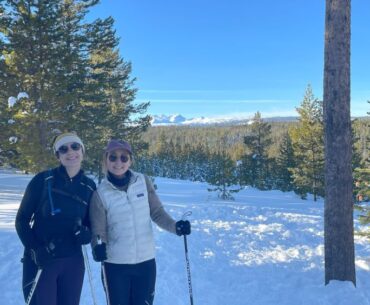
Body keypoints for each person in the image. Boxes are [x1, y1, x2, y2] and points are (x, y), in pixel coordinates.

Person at [90, 139, 191, 305]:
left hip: (145, 263)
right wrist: (97, 247)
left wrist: (176, 227)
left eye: (124, 158)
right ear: (106, 160)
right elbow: (98, 231)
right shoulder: (100, 193)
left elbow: (157, 213)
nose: (118, 162)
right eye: (113, 157)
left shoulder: (142, 182)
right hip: (115, 266)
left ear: (130, 160)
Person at [15, 132, 96, 305]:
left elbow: (90, 224)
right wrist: (35, 249)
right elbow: (21, 220)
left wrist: (86, 235)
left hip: (73, 262)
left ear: (82, 151)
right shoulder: (42, 180)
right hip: (42, 260)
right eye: (63, 148)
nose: (70, 152)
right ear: (57, 155)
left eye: (75, 146)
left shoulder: (89, 186)